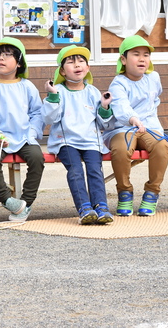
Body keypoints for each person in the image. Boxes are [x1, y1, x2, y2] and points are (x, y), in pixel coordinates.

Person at [41, 45, 115, 224]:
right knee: (75, 172)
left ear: (87, 68)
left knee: (95, 171)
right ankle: (84, 208)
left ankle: (101, 207)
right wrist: (52, 97)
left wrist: (105, 107)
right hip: (66, 142)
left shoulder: (92, 92)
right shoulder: (58, 90)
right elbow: (50, 117)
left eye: (81, 61)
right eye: (71, 62)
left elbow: (104, 123)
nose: (77, 65)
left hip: (91, 141)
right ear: (62, 71)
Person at [0, 37, 44, 222]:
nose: (1, 59)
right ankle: (6, 199)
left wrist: (31, 133)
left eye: (7, 55)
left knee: (37, 157)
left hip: (23, 137)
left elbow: (37, 113)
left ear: (19, 63)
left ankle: (26, 203)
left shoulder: (27, 86)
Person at [103, 35, 168, 216]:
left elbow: (155, 97)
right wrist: (133, 119)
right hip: (123, 128)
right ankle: (124, 192)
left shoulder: (154, 78)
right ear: (123, 59)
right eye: (136, 54)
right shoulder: (118, 83)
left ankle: (152, 192)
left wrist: (146, 122)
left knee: (162, 146)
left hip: (149, 127)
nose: (142, 59)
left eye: (146, 55)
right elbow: (121, 106)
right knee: (122, 149)